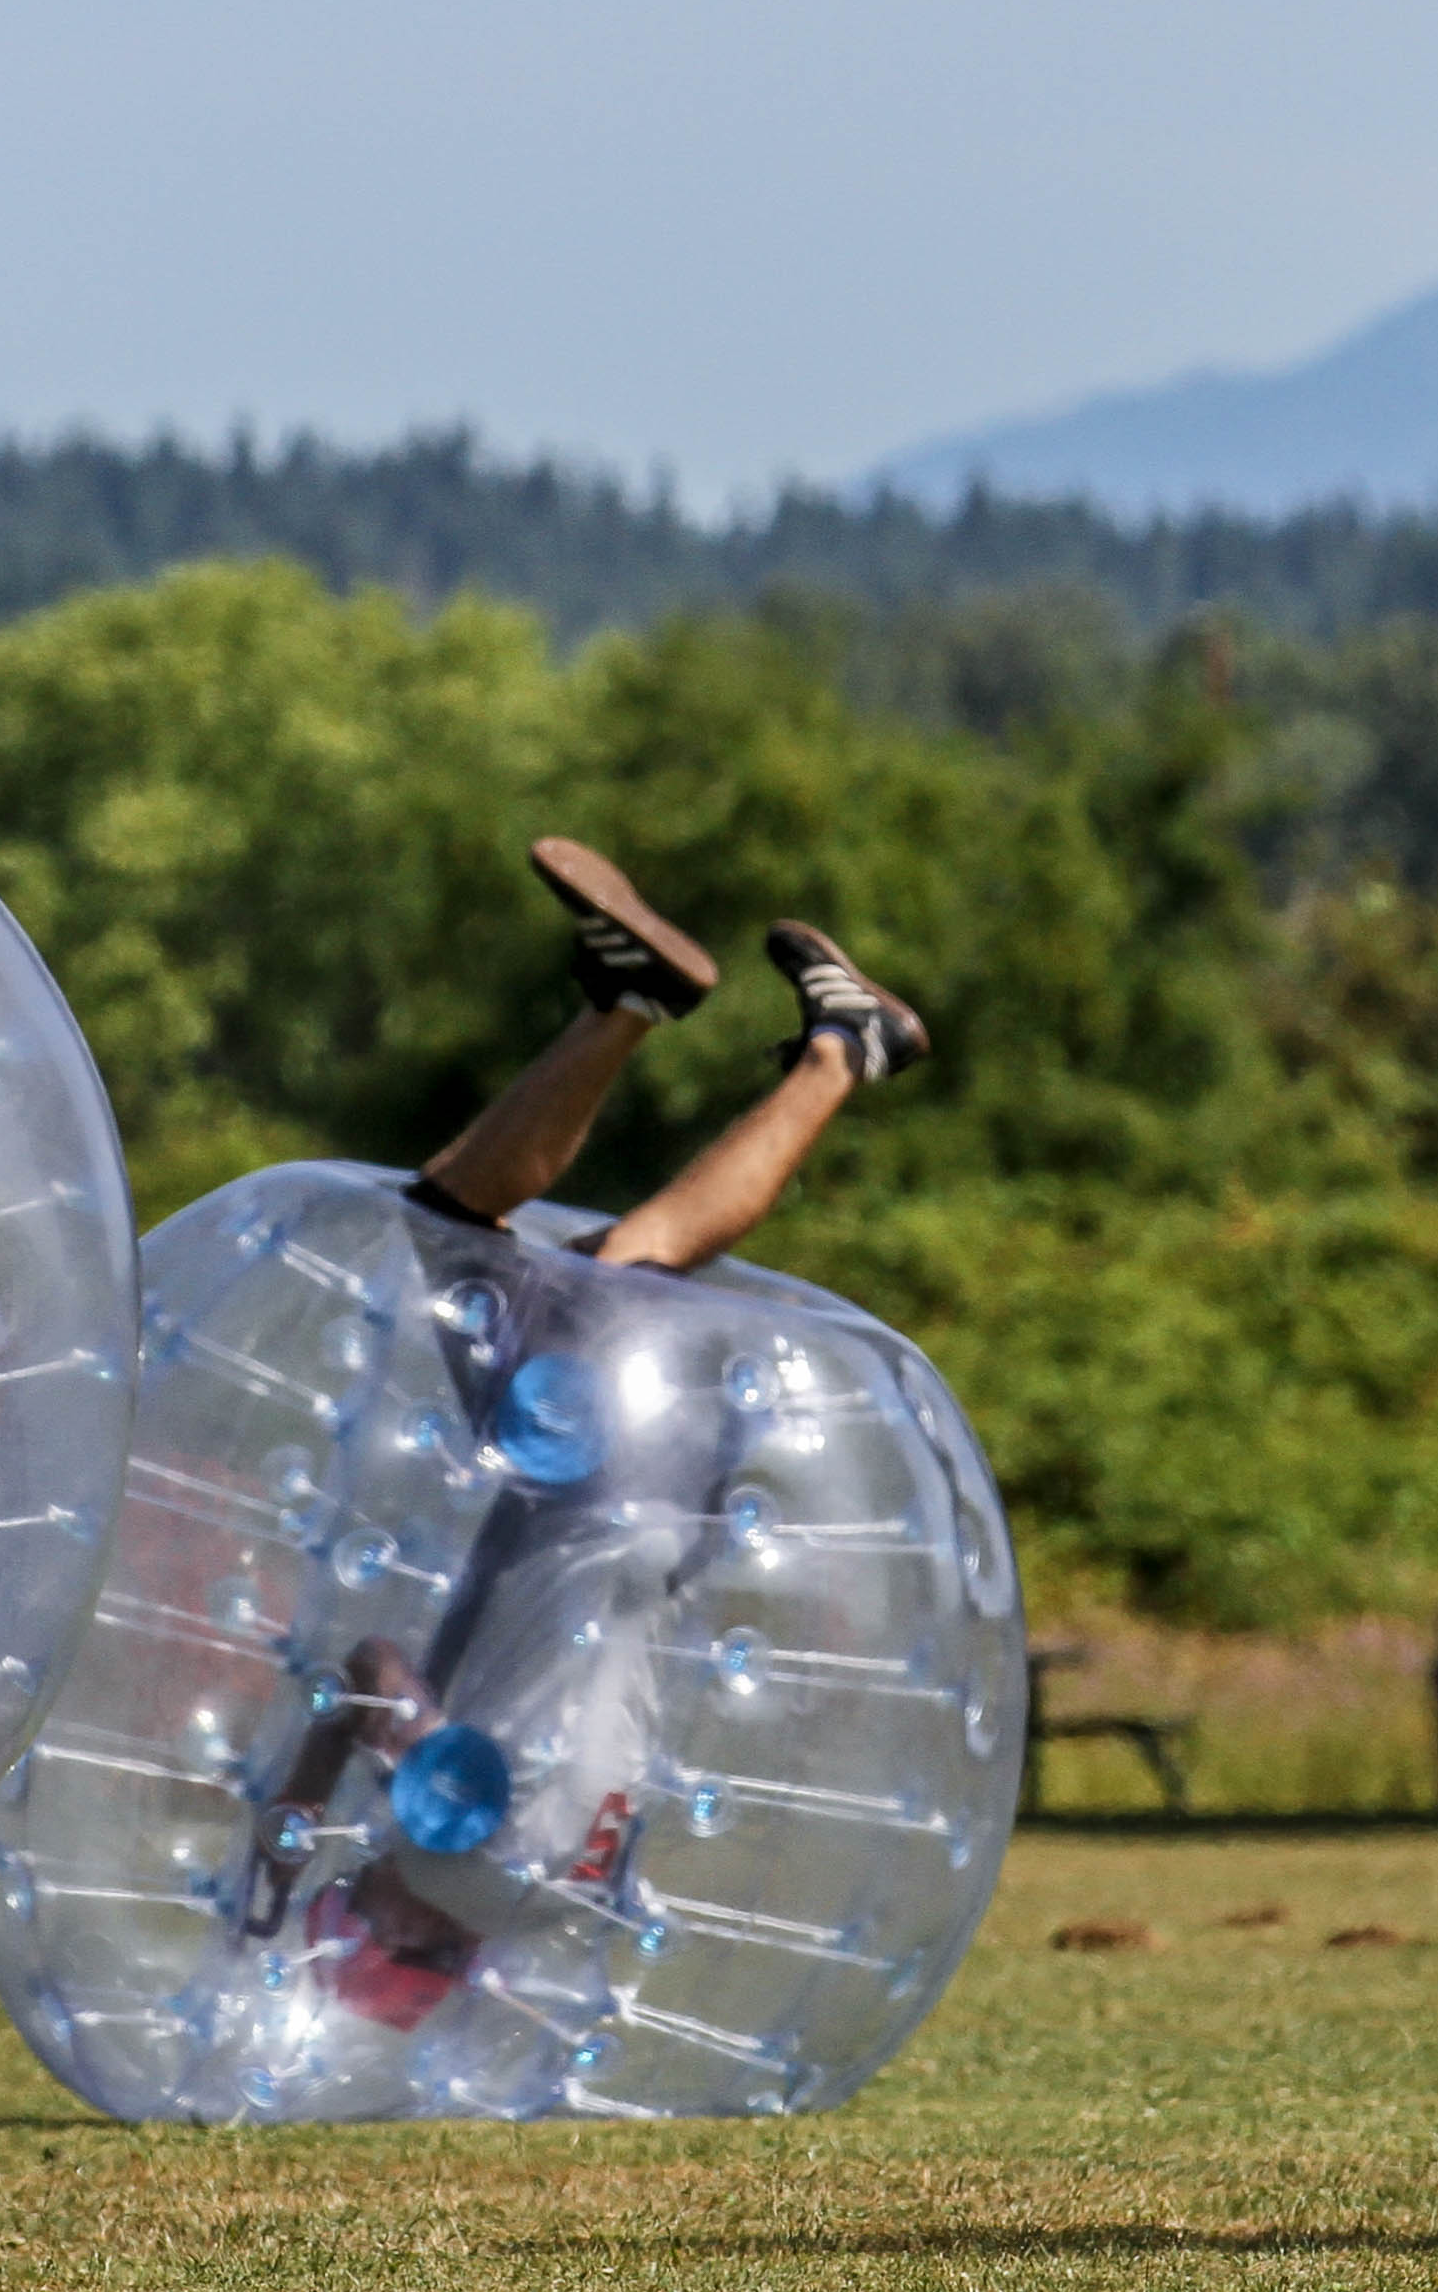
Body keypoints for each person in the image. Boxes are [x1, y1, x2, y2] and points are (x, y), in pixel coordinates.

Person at [235, 837, 932, 2009]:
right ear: (397, 1931)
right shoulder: (442, 1856)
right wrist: (295, 1809)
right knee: (454, 1217)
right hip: (588, 1511)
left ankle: (837, 1045)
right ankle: (658, 1008)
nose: (356, 1888)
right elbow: (374, 1677)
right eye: (355, 1907)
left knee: (628, 1254)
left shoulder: (555, 1903)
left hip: (655, 1535)